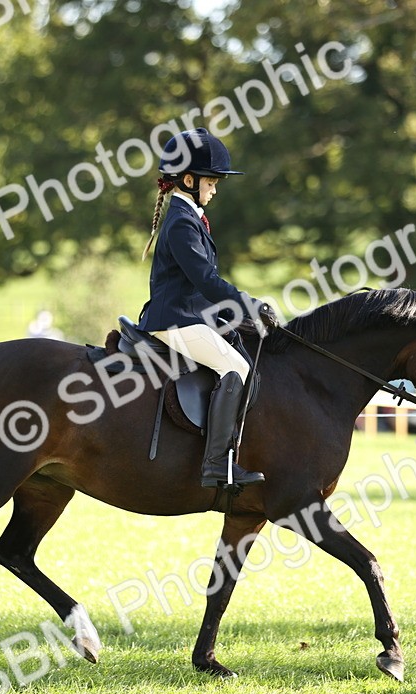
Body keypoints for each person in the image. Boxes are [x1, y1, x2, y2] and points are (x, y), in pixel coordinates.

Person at [137, 128, 279, 492]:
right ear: (189, 180)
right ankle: (217, 464)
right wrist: (250, 305)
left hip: (188, 315)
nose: (215, 190)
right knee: (236, 367)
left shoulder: (189, 216)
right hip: (175, 320)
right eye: (212, 182)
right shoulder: (182, 223)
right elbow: (206, 280)